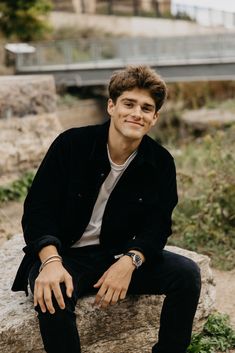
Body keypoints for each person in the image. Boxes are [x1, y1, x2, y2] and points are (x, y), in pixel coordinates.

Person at [12, 65, 201, 353]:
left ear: (154, 118)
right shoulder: (71, 144)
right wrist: (49, 262)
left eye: (146, 108)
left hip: (116, 254)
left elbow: (158, 225)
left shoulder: (161, 163)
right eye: (129, 103)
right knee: (53, 293)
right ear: (111, 106)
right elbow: (38, 209)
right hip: (65, 257)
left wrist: (130, 261)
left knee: (186, 274)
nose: (137, 113)